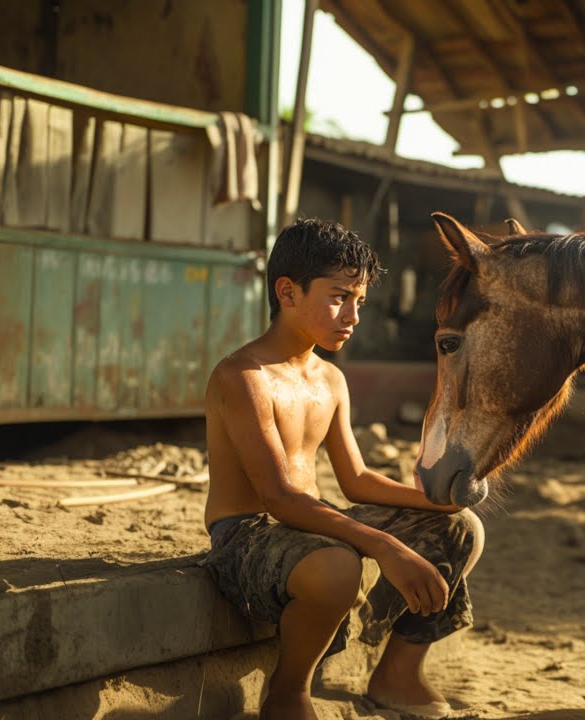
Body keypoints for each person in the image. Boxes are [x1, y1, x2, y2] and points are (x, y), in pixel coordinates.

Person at [201, 218, 483, 720]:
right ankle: (289, 692)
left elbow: (356, 480)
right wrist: (387, 547)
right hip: (246, 533)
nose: (352, 316)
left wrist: (438, 499)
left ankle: (397, 673)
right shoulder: (243, 377)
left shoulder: (330, 379)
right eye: (339, 298)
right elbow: (280, 499)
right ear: (287, 292)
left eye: (359, 301)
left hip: (311, 519)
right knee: (338, 567)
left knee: (461, 528)